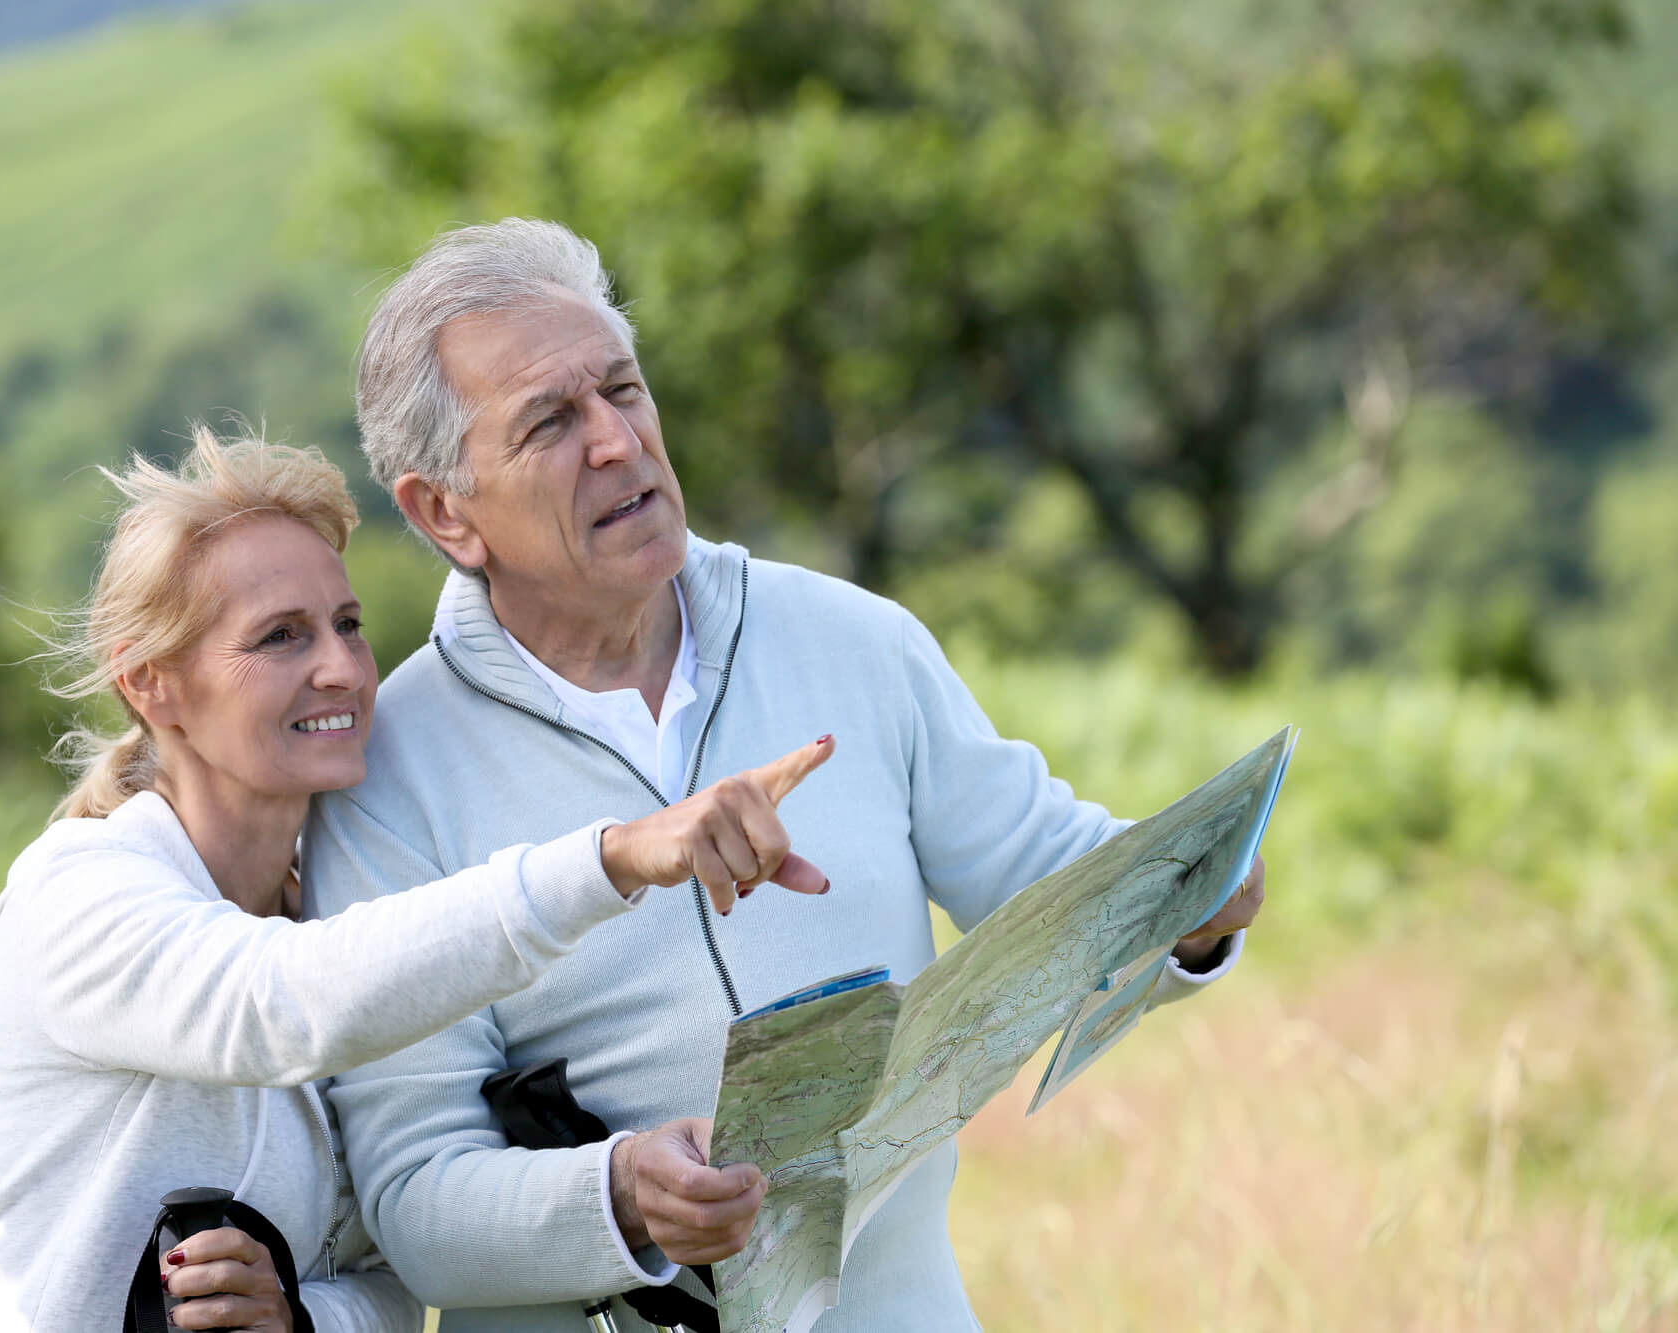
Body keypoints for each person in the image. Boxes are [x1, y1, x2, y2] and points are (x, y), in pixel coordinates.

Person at [306, 219, 1266, 1332]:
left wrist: (1190, 904)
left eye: (623, 390)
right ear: (442, 511)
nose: (617, 442)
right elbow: (416, 1202)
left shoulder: (854, 638)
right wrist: (617, 1195)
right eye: (550, 423)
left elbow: (1046, 878)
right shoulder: (389, 774)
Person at [0, 425, 835, 1332]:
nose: (342, 668)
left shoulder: (336, 912)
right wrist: (616, 855)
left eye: (348, 625)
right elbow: (284, 1004)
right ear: (151, 684)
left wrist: (298, 1313)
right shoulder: (77, 893)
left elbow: (392, 1276)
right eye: (280, 637)